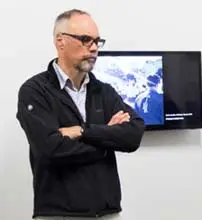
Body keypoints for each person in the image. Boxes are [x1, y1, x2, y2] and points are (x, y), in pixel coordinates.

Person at [16, 9, 146, 220]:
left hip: (107, 212)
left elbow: (133, 135)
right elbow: (50, 149)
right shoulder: (34, 91)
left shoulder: (103, 90)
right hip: (58, 214)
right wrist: (107, 139)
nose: (94, 48)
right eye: (85, 40)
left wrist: (82, 131)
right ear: (61, 41)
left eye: (97, 41)